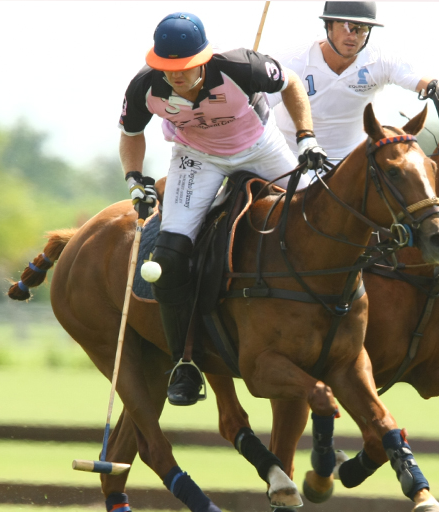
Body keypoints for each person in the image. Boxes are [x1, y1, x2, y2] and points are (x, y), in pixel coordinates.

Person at [269, 1, 439, 370]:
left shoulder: (377, 57)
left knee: (432, 220)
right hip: (290, 159)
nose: (353, 34)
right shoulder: (291, 59)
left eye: (361, 29)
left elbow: (414, 78)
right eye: (346, 26)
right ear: (328, 26)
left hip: (354, 168)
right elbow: (257, 110)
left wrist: (434, 87)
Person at [119, 12, 327, 406]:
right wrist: (135, 180)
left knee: (322, 217)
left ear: (204, 58)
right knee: (168, 257)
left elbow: (292, 83)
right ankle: (185, 361)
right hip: (197, 158)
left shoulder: (240, 66)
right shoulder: (145, 86)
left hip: (261, 149)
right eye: (168, 68)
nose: (175, 76)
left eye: (184, 68)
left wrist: (306, 138)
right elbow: (131, 135)